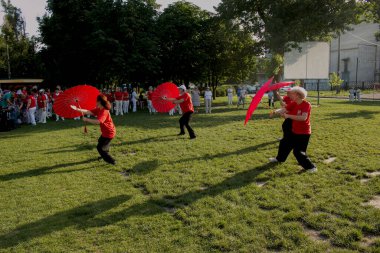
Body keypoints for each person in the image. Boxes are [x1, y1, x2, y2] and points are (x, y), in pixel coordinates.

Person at [269, 87, 317, 173]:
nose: (289, 95)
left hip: (303, 132)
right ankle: (279, 159)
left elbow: (303, 117)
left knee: (298, 152)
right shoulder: (294, 103)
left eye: (291, 93)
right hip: (294, 130)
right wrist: (275, 112)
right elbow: (285, 109)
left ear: (297, 95)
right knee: (284, 143)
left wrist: (288, 116)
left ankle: (311, 167)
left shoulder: (306, 104)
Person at [71, 94, 116, 165]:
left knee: (99, 148)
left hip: (109, 132)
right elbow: (88, 111)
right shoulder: (99, 109)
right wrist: (76, 109)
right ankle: (104, 155)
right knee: (101, 142)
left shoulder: (104, 111)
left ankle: (112, 161)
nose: (96, 102)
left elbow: (98, 121)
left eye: (96, 101)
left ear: (100, 102)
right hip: (106, 132)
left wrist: (87, 119)